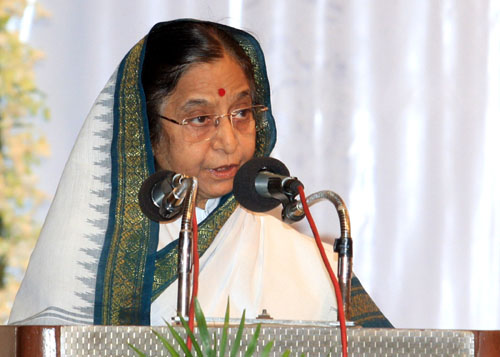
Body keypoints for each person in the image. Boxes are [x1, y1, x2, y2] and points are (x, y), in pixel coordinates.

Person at [9, 19, 391, 327]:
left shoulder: (310, 268)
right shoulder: (87, 265)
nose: (228, 141)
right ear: (144, 129)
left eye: (241, 113)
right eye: (199, 119)